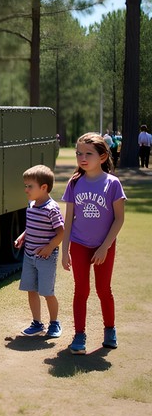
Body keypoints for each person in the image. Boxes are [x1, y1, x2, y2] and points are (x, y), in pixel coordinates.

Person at [62, 132, 126, 355]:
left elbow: (119, 218)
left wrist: (104, 246)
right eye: (79, 153)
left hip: (103, 245)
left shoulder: (113, 184)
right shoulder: (74, 182)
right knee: (81, 290)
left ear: (102, 156)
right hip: (79, 244)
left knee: (103, 289)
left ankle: (110, 330)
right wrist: (64, 250)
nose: (82, 157)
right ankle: (79, 335)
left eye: (88, 153)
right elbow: (68, 219)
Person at [14, 165, 64, 338]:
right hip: (29, 257)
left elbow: (61, 232)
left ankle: (54, 323)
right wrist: (23, 236)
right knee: (31, 290)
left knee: (47, 292)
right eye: (25, 185)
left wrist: (50, 248)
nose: (26, 189)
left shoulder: (52, 209)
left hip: (46, 258)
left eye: (30, 186)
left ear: (43, 188)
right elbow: (32, 227)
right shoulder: (31, 205)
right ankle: (36, 323)